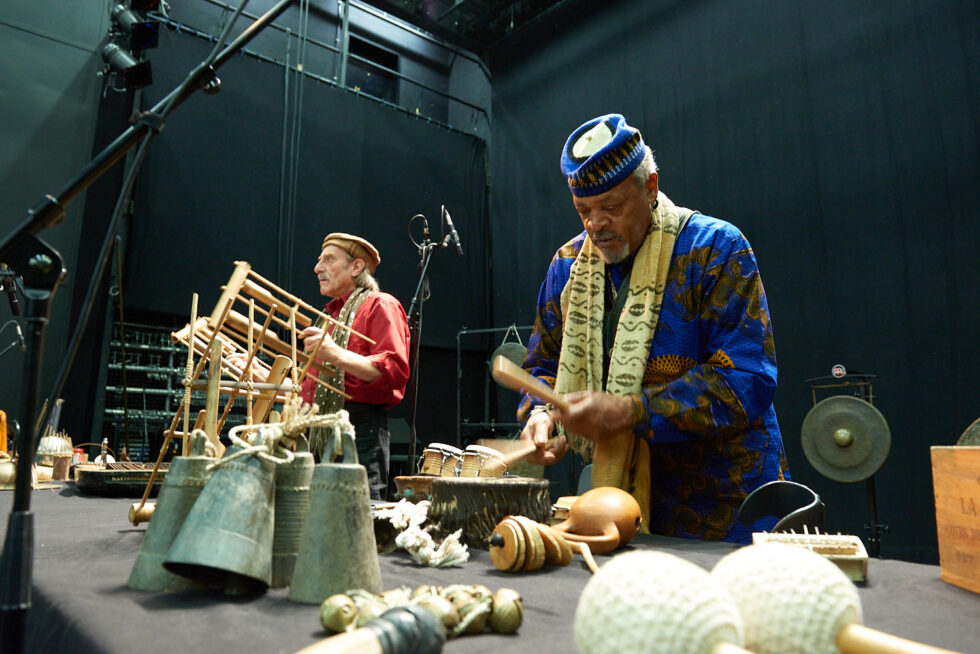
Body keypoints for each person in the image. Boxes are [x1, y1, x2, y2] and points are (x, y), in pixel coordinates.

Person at [518, 114, 788, 543]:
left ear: (651, 188)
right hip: (618, 505)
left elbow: (747, 379)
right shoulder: (567, 266)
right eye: (584, 211)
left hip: (726, 504)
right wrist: (541, 413)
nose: (595, 225)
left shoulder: (715, 248)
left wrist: (631, 412)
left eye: (612, 207)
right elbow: (542, 363)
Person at [234, 233, 410, 500]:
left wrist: (336, 354)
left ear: (356, 267)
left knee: (354, 521)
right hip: (316, 434)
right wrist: (263, 380)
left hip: (358, 433)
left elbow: (393, 372)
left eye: (329, 259)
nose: (318, 268)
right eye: (319, 261)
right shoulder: (328, 318)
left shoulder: (380, 305)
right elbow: (311, 392)